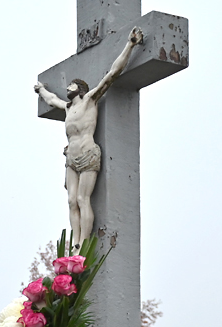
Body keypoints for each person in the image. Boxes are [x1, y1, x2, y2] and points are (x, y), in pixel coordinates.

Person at [35, 27, 144, 245]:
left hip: (87, 153)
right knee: (71, 200)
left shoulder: (90, 100)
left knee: (84, 199)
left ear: (81, 88)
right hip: (71, 158)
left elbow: (112, 74)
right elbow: (50, 100)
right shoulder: (67, 108)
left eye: (72, 84)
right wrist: (41, 89)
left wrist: (130, 45)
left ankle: (84, 242)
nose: (68, 87)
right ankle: (75, 241)